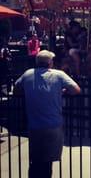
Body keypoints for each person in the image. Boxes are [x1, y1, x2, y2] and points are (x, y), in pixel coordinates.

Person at [14, 50, 81, 178]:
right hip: (53, 125)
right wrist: (62, 91)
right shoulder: (58, 74)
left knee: (36, 162)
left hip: (35, 126)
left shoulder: (28, 74)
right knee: (47, 164)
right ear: (50, 63)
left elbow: (16, 90)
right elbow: (76, 89)